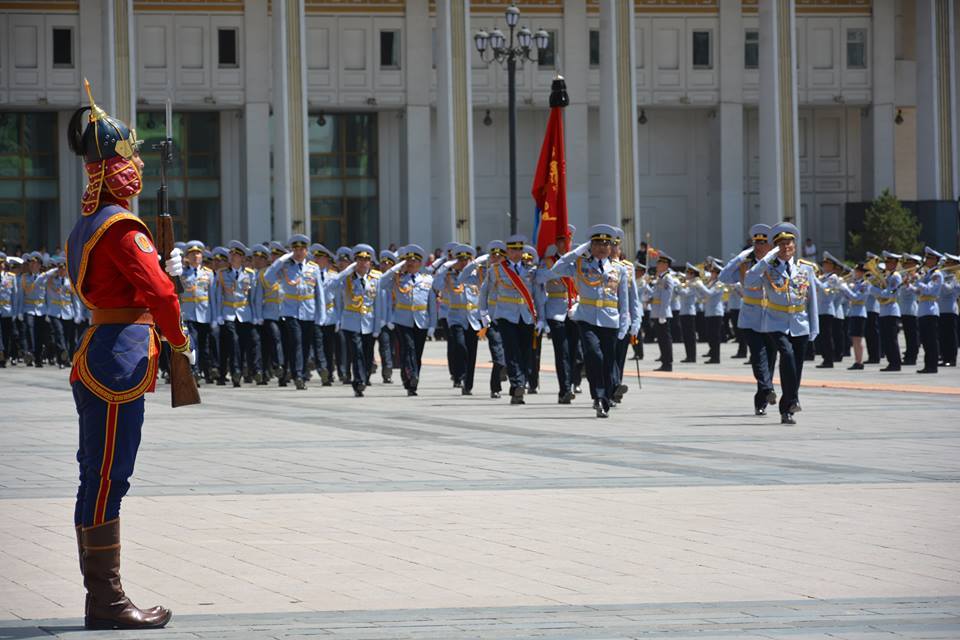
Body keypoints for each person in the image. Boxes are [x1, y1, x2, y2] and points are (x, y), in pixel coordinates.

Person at [64, 81, 194, 629]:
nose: (137, 166)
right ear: (116, 169)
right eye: (131, 158)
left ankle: (104, 599)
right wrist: (180, 346)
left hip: (102, 350)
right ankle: (107, 601)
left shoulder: (86, 224)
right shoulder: (121, 226)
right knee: (107, 478)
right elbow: (161, 295)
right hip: (119, 359)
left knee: (100, 475)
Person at [546, 225, 629, 417]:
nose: (602, 247)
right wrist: (577, 251)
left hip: (610, 320)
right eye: (597, 243)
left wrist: (624, 325)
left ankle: (606, 397)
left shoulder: (619, 269)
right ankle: (598, 396)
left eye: (606, 244)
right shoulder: (580, 264)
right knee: (594, 355)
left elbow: (623, 300)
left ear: (611, 247)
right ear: (590, 246)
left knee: (609, 360)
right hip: (587, 318)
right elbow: (557, 269)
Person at [745, 222, 818, 425]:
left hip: (800, 323)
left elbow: (812, 300)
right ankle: (792, 401)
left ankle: (788, 408)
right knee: (786, 354)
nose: (786, 248)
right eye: (781, 245)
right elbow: (750, 280)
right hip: (775, 322)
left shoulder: (806, 269)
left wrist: (814, 328)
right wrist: (768, 257)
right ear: (776, 247)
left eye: (789, 244)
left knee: (797, 367)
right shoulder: (767, 267)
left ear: (795, 246)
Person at [719, 224, 778, 415]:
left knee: (770, 357)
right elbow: (724, 276)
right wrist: (740, 257)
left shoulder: (776, 265)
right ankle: (767, 388)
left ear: (770, 245)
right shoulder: (745, 265)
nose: (759, 246)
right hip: (750, 317)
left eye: (763, 243)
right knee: (758, 356)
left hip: (772, 317)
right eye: (756, 243)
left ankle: (763, 394)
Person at [478, 234, 539, 405]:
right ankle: (518, 384)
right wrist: (483, 315)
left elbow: (537, 295)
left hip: (526, 316)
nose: (516, 253)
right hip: (505, 315)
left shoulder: (530, 270)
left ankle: (518, 386)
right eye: (513, 250)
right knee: (512, 352)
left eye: (519, 249)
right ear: (507, 252)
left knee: (526, 353)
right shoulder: (496, 269)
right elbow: (485, 292)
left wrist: (540, 318)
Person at [262, 235, 327, 389]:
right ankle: (298, 375)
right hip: (290, 311)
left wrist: (321, 315)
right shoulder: (285, 266)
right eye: (295, 249)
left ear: (306, 251)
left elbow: (320, 293)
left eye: (301, 249)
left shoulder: (313, 267)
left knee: (305, 345)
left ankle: (302, 373)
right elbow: (268, 277)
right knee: (297, 342)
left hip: (309, 312)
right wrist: (281, 259)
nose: (298, 252)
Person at [379, 244, 436, 396]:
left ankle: (411, 380)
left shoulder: (427, 280)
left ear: (419, 263)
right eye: (407, 261)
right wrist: (396, 267)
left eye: (414, 261)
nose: (410, 264)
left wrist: (433, 324)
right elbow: (381, 283)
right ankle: (412, 378)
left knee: (417, 353)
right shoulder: (397, 278)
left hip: (421, 321)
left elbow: (432, 304)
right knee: (408, 348)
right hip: (402, 320)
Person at [326, 244, 382, 397]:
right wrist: (344, 272)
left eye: (366, 260)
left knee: (367, 353)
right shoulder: (346, 279)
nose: (363, 263)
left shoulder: (376, 279)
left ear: (370, 262)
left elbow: (378, 304)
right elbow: (329, 287)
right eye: (359, 259)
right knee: (356, 352)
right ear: (354, 261)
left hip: (369, 322)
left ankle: (365, 377)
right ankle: (358, 382)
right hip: (351, 323)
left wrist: (377, 326)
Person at [436, 244, 483, 395]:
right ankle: (460, 375)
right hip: (456, 317)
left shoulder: (476, 276)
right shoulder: (449, 276)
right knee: (460, 345)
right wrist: (444, 268)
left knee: (472, 351)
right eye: (460, 259)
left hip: (473, 319)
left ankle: (468, 384)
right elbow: (436, 285)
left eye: (466, 259)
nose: (463, 262)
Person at [906, 247, 944, 374]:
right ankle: (928, 364)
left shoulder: (937, 274)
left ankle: (932, 366)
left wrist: (917, 280)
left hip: (931, 309)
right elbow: (919, 292)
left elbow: (929, 290)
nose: (926, 260)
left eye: (929, 258)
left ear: (935, 260)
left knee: (931, 339)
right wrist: (909, 286)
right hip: (923, 309)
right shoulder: (928, 274)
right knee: (925, 340)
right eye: (926, 257)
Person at [869, 251, 903, 372]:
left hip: (891, 310)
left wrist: (873, 289)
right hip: (884, 310)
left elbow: (888, 293)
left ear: (895, 263)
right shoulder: (888, 276)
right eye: (887, 261)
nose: (887, 264)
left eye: (889, 262)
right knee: (886, 338)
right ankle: (891, 362)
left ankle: (895, 363)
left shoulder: (895, 276)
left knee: (891, 338)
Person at [646, 253, 676, 371]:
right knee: (661, 339)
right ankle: (664, 361)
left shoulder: (667, 278)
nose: (657, 265)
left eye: (660, 263)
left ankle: (667, 363)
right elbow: (657, 295)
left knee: (665, 340)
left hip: (662, 313)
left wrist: (662, 314)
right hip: (657, 312)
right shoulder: (661, 278)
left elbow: (666, 298)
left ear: (665, 265)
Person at [839, 264, 870, 370]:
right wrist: (842, 289)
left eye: (856, 271)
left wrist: (846, 288)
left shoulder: (865, 284)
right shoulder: (857, 283)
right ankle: (857, 360)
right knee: (854, 339)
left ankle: (859, 361)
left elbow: (856, 297)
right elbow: (849, 297)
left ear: (862, 272)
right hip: (854, 312)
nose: (854, 273)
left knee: (857, 339)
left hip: (860, 313)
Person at [898, 253, 922, 366]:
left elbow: (914, 291)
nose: (906, 266)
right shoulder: (905, 276)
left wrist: (908, 283)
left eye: (909, 264)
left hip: (911, 309)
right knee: (908, 334)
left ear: (915, 264)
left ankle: (912, 356)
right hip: (904, 309)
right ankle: (909, 354)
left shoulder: (916, 277)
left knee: (912, 335)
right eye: (906, 263)